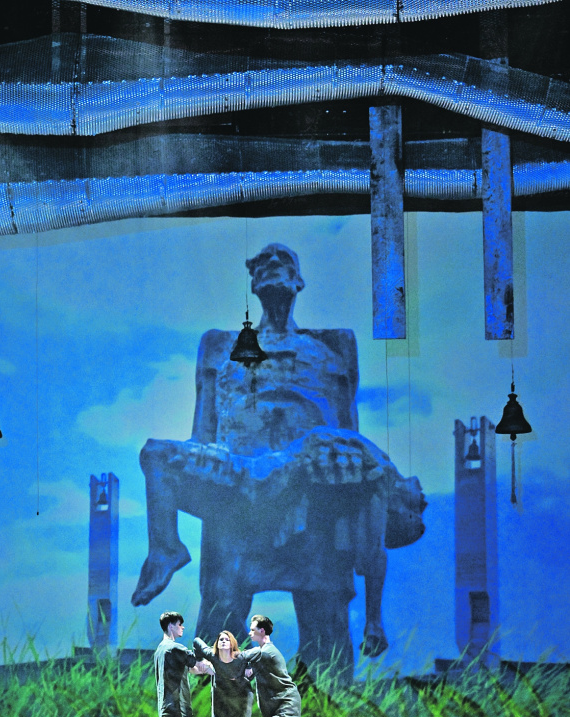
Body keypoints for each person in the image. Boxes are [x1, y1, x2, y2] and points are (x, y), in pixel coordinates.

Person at [131, 243, 426, 671]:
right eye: (263, 262)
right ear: (252, 283)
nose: (272, 264)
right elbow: (204, 433)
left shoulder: (331, 351)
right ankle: (168, 553)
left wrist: (352, 514)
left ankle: (325, 702)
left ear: (299, 281)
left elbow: (350, 432)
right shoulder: (221, 348)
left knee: (327, 631)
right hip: (238, 491)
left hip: (317, 500)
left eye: (284, 260)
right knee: (220, 621)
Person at [154, 612, 210, 717]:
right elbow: (199, 663)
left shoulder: (160, 650)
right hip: (177, 712)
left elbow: (193, 669)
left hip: (168, 712)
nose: (183, 627)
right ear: (171, 626)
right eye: (180, 624)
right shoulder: (174, 648)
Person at [193, 631, 253, 717]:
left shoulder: (239, 657)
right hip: (221, 692)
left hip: (239, 692)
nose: (224, 641)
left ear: (232, 643)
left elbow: (257, 655)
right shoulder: (212, 655)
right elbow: (197, 641)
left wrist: (249, 667)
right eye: (221, 639)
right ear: (217, 643)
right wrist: (199, 661)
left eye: (227, 639)